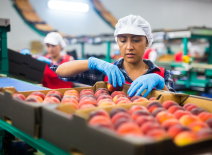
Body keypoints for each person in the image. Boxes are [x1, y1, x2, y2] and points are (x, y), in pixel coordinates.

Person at [52, 14, 175, 97]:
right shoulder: (107, 72)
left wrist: (161, 84)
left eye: (136, 40)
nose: (129, 47)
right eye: (123, 40)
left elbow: (176, 106)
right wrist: (92, 62)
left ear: (147, 42)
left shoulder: (162, 75)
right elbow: (60, 71)